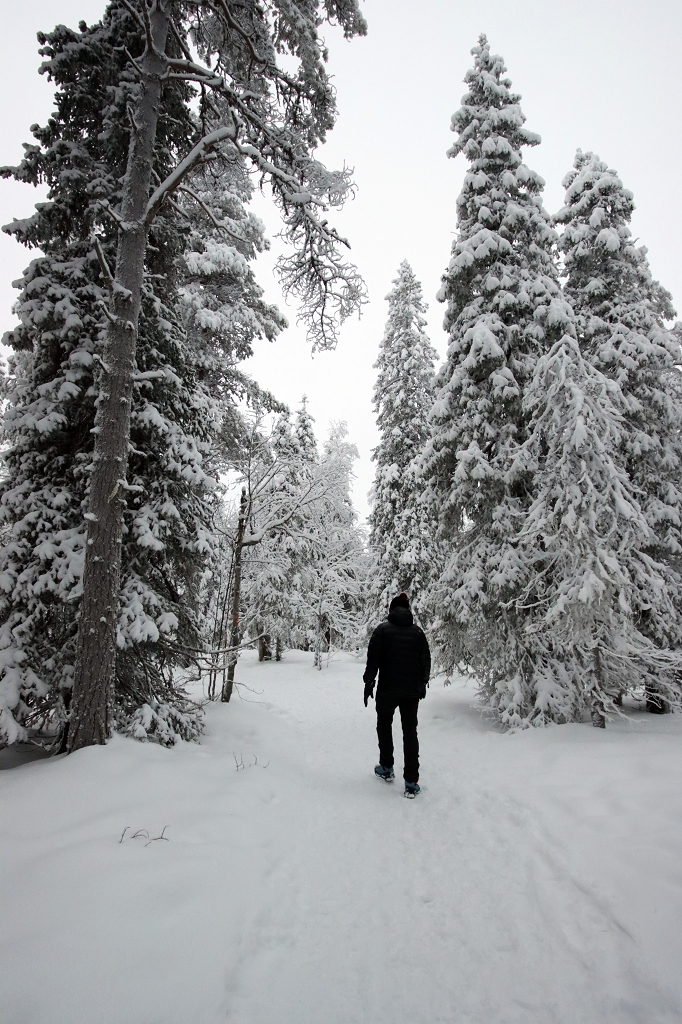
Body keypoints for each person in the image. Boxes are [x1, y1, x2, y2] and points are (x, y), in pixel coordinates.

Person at [363, 592, 431, 798]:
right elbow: (425, 661)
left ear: (391, 610)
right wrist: (421, 684)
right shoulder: (418, 633)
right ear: (407, 610)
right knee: (410, 732)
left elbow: (373, 660)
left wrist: (368, 683)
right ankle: (411, 781)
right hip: (410, 692)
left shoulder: (382, 631)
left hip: (387, 689)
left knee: (384, 724)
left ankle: (386, 766)